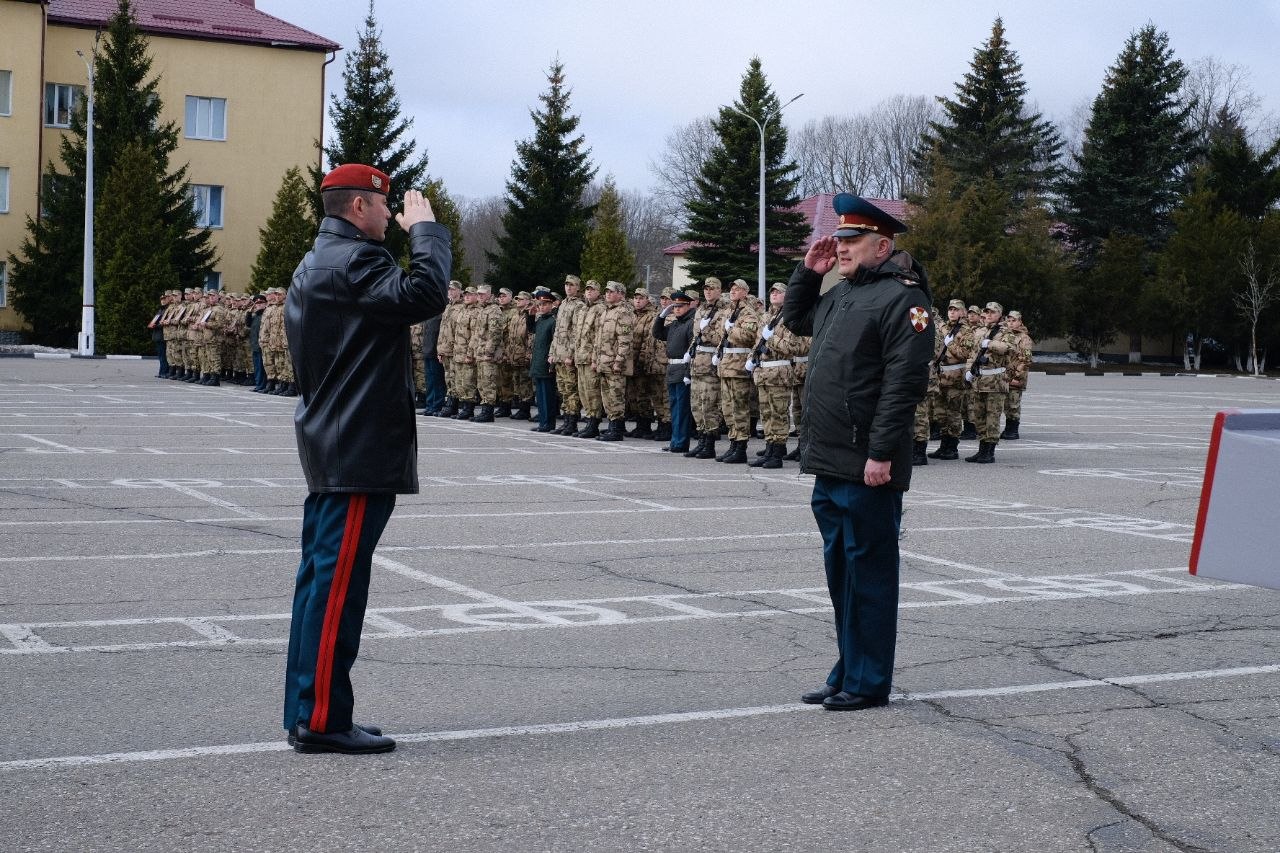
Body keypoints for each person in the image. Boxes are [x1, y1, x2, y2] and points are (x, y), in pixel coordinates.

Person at [282, 163, 451, 755]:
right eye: (385, 208)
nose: (392, 216)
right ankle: (323, 719)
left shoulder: (320, 259)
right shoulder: (356, 260)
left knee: (319, 582)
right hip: (353, 445)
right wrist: (426, 231)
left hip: (336, 440)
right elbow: (425, 295)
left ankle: (309, 709)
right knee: (336, 587)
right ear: (359, 208)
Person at [782, 193, 933, 712]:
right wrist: (808, 272)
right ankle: (848, 669)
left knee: (868, 572)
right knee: (842, 574)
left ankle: (869, 681)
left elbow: (903, 385)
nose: (841, 249)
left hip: (867, 461)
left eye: (851, 242)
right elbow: (795, 322)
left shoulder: (902, 300)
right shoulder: (843, 294)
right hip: (829, 457)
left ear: (882, 245)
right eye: (840, 241)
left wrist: (882, 453)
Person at [964, 301, 1019, 463]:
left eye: (992, 313)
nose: (988, 315)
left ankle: (989, 451)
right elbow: (972, 354)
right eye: (986, 312)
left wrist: (990, 343)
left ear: (999, 315)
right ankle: (982, 449)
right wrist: (968, 370)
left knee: (992, 417)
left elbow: (1009, 348)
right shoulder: (979, 331)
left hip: (995, 382)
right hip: (979, 381)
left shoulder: (1006, 332)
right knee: (978, 416)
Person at [653, 288, 697, 453]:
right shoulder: (675, 323)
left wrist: (688, 371)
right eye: (675, 306)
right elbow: (657, 333)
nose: (677, 309)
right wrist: (662, 316)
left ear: (688, 306)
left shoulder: (690, 323)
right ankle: (675, 440)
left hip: (683, 369)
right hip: (672, 368)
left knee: (682, 409)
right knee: (674, 407)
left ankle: (680, 442)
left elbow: (691, 349)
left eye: (680, 306)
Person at [528, 288, 560, 432]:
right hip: (538, 362)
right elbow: (531, 329)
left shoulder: (553, 321)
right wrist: (530, 316)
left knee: (548, 395)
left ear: (552, 305)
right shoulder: (541, 320)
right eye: (540, 305)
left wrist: (551, 362)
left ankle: (548, 423)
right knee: (540, 395)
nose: (542, 307)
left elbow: (555, 342)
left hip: (546, 362)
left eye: (545, 304)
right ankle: (542, 421)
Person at [1001, 310, 1033, 440]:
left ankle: (1013, 430)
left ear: (1020, 322)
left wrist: (1017, 377)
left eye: (1014, 320)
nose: (1011, 323)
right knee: (1005, 404)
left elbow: (1025, 360)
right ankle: (1008, 429)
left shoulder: (1024, 338)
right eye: (1009, 320)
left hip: (1016, 377)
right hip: (1006, 376)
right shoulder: (1006, 336)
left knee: (1013, 404)